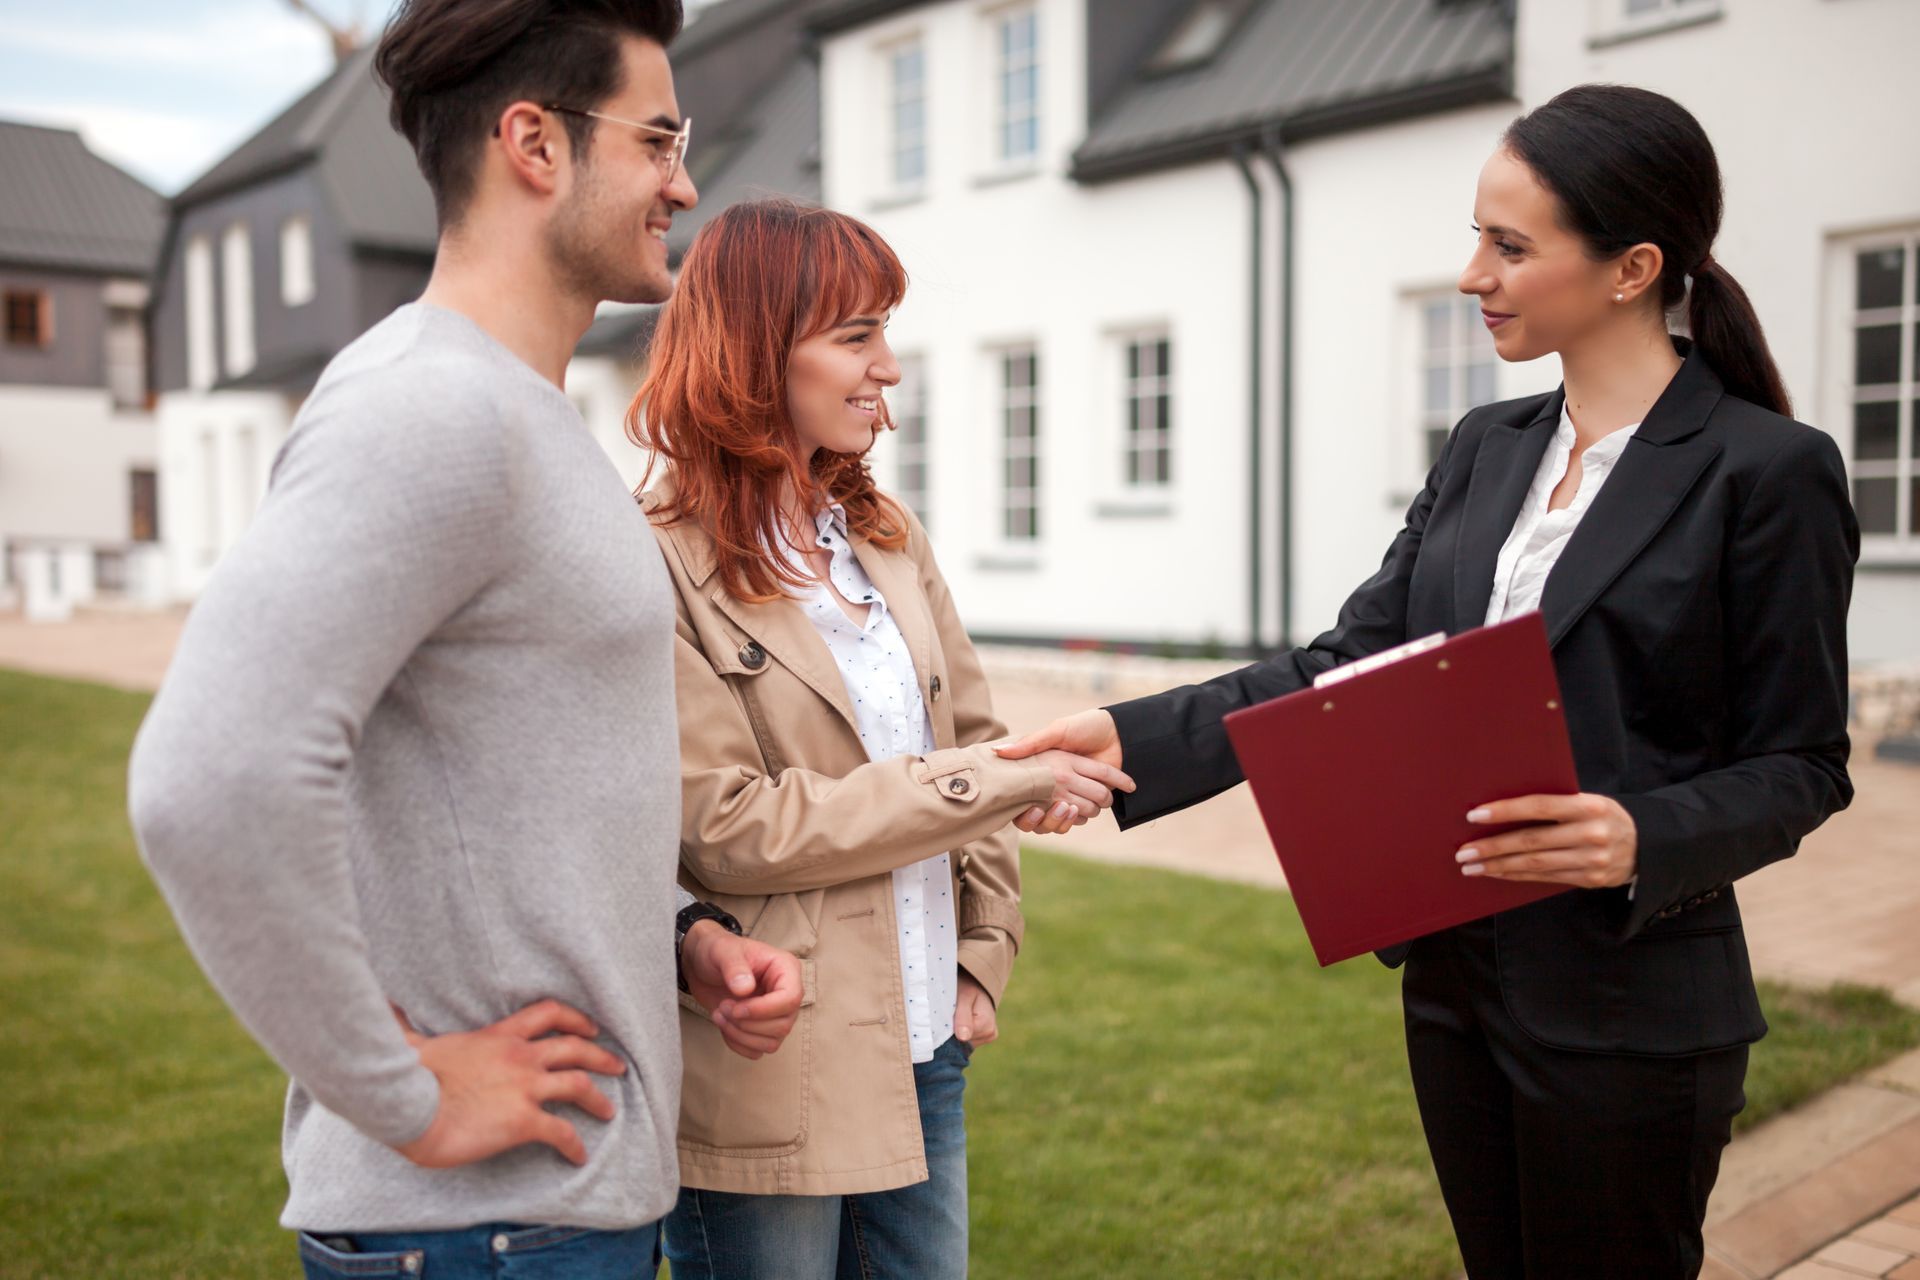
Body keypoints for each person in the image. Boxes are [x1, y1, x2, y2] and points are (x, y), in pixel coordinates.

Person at [1000, 84, 1858, 1278]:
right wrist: (1120, 732)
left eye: (1510, 245)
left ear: (1632, 267)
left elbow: (1804, 763)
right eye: (1478, 236)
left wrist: (1637, 832)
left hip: (1630, 1012)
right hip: (1456, 985)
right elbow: (1347, 664)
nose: (1473, 274)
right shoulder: (1485, 448)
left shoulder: (1768, 471)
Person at [127, 3, 804, 1276]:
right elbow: (208, 777)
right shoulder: (429, 409)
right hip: (493, 1234)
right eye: (659, 139)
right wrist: (405, 1094)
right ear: (534, 143)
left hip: (547, 1217)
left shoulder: (522, 416)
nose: (685, 181)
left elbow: (514, 783)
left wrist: (677, 936)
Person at [631, 199, 1133, 1279]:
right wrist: (987, 781)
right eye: (857, 336)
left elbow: (982, 740)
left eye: (884, 333)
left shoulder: (886, 539)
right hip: (775, 1063)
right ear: (758, 352)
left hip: (926, 1047)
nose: (889, 368)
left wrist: (980, 956)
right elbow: (727, 828)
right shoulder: (656, 564)